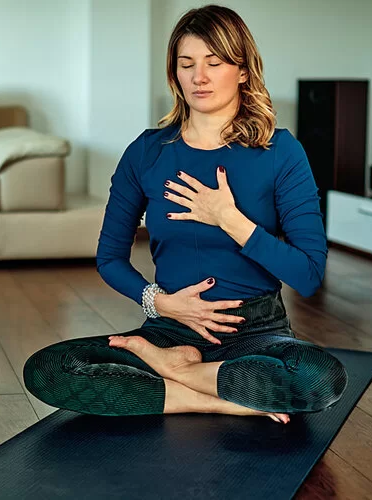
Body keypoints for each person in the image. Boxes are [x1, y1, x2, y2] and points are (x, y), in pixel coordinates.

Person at [23, 4, 347, 424]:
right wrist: (158, 303)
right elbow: (109, 258)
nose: (199, 77)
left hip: (256, 332)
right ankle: (211, 395)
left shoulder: (281, 151)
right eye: (186, 63)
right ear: (174, 73)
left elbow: (308, 273)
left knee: (321, 379)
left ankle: (180, 379)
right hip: (170, 330)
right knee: (50, 369)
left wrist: (229, 218)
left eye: (215, 62)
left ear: (243, 71)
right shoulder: (147, 151)